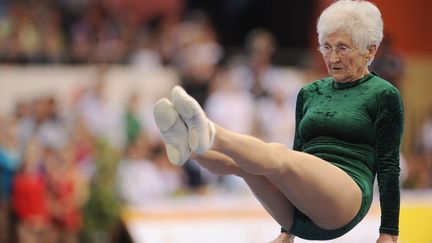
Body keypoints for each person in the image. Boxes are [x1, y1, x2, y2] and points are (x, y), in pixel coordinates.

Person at [152, 0, 403, 242]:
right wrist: (287, 232)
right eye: (326, 47)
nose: (332, 58)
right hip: (299, 212)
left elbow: (389, 166)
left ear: (370, 50)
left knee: (277, 154)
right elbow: (298, 155)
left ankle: (211, 132)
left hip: (345, 198)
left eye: (342, 48)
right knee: (245, 165)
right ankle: (189, 148)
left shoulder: (383, 94)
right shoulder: (310, 92)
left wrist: (389, 232)